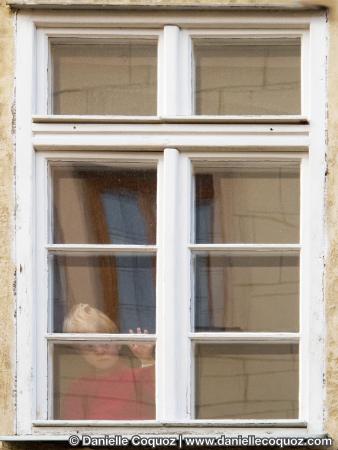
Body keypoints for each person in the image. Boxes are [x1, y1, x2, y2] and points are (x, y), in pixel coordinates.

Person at [61, 303, 155, 420]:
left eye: (106, 343)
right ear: (81, 353)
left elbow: (158, 402)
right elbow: (72, 430)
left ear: (118, 344)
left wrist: (146, 358)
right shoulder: (79, 387)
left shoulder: (137, 377)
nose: (100, 350)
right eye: (89, 347)